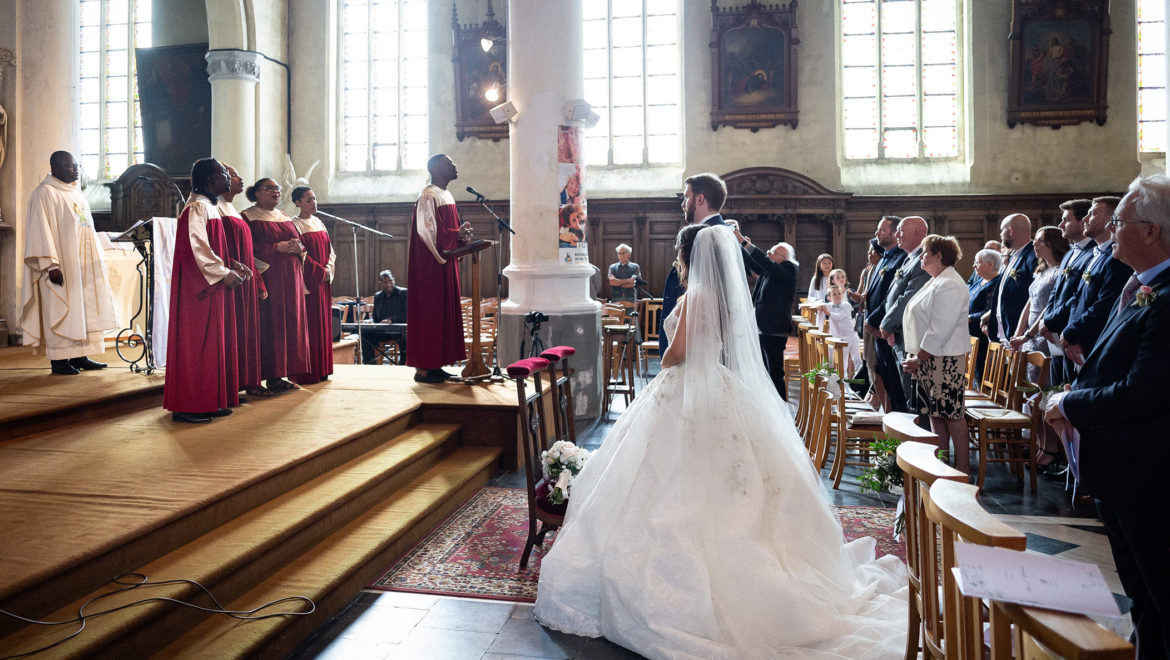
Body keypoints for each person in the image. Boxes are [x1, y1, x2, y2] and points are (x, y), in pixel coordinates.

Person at [535, 224, 908, 658]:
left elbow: (679, 351)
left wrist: (668, 353)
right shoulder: (725, 296)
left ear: (689, 254)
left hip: (686, 384)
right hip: (717, 384)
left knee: (665, 477)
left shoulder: (696, 295)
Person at [1044, 175, 1170, 660]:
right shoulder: (1140, 286)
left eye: (1120, 221)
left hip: (1149, 474)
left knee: (1159, 591)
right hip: (1122, 470)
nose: (1112, 230)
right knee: (1142, 596)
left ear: (1151, 232)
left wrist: (1069, 404)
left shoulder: (1165, 298)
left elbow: (1145, 392)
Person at [164, 158, 249, 423]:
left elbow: (210, 247)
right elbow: (196, 249)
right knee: (197, 346)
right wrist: (223, 273)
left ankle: (209, 400)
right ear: (210, 179)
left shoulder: (209, 207)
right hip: (198, 291)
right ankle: (189, 405)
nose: (227, 177)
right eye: (223, 173)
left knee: (212, 346)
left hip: (213, 286)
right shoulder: (196, 208)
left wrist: (231, 264)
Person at [19, 151, 117, 375]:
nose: (75, 170)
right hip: (60, 265)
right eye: (70, 166)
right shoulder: (44, 193)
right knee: (61, 307)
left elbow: (85, 229)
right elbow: (39, 232)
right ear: (54, 167)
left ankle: (80, 355)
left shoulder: (76, 193)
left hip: (81, 264)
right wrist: (50, 266)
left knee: (82, 308)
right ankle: (60, 360)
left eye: (76, 166)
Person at [901, 235, 972, 473]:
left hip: (945, 359)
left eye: (925, 252)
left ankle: (961, 471)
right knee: (936, 414)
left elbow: (940, 327)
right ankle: (941, 466)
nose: (921, 257)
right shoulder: (936, 280)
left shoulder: (949, 283)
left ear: (939, 255)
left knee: (952, 415)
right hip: (932, 358)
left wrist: (918, 357)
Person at [243, 178, 311, 392]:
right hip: (268, 279)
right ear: (256, 193)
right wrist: (276, 248)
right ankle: (255, 379)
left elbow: (299, 244)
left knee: (287, 327)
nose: (275, 192)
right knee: (267, 326)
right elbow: (246, 249)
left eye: (277, 189)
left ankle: (277, 376)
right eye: (269, 188)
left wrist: (298, 247)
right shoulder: (247, 217)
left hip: (291, 282)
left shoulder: (284, 216)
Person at [407, 154, 470, 383]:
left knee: (442, 314)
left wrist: (460, 235)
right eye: (448, 163)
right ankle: (424, 368)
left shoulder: (447, 195)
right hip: (430, 267)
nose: (454, 165)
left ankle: (436, 365)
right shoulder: (428, 195)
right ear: (435, 168)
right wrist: (455, 236)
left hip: (444, 264)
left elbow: (446, 231)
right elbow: (427, 232)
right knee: (430, 314)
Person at [659, 172, 730, 356]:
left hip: (692, 354)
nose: (683, 203)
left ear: (699, 199)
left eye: (686, 197)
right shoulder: (718, 234)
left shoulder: (713, 235)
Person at [1059, 196, 1132, 369]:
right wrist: (1070, 334)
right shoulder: (1095, 254)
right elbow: (1077, 297)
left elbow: (1105, 304)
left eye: (1092, 214)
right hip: (1076, 342)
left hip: (1094, 342)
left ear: (1110, 220)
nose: (1085, 219)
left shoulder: (1115, 258)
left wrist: (1073, 332)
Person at [219, 164, 267, 400]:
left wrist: (258, 281)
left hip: (245, 280)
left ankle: (245, 380)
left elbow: (248, 252)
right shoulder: (213, 208)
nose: (240, 178)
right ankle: (230, 385)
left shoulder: (232, 208)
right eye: (233, 175)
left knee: (246, 332)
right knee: (233, 332)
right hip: (230, 280)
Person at [734, 223, 797, 399]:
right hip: (761, 327)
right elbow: (755, 264)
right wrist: (740, 247)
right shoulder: (770, 271)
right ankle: (769, 403)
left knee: (775, 372)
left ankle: (781, 408)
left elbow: (763, 261)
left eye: (772, 252)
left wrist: (745, 243)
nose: (768, 253)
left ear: (783, 257)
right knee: (763, 371)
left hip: (775, 329)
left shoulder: (788, 269)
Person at [875, 216, 930, 413]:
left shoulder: (923, 259)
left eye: (901, 230)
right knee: (906, 391)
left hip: (911, 335)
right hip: (899, 333)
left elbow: (908, 297)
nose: (896, 235)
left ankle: (919, 438)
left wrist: (887, 324)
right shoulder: (910, 258)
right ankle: (909, 435)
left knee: (914, 395)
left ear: (918, 232)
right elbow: (893, 296)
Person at [1038, 199, 1095, 386]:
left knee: (1070, 390)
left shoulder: (1092, 253)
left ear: (1082, 221)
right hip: (1055, 336)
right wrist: (1047, 320)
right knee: (1055, 389)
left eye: (1066, 220)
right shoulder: (1070, 253)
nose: (1061, 225)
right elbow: (1056, 291)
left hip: (1074, 336)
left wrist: (1053, 321)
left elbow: (1077, 296)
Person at [289, 185, 336, 385]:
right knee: (310, 326)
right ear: (298, 203)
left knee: (323, 326)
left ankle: (323, 368)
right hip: (309, 283)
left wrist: (329, 270)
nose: (313, 203)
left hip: (323, 282)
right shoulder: (294, 224)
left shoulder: (319, 222)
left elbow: (331, 251)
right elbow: (300, 255)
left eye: (314, 198)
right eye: (308, 200)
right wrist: (319, 272)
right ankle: (308, 372)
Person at [863, 216, 907, 413]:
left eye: (881, 230)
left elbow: (892, 295)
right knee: (886, 378)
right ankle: (892, 425)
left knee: (896, 384)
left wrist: (873, 319)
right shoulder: (886, 256)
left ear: (894, 232)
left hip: (889, 329)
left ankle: (901, 428)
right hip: (877, 330)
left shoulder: (900, 257)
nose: (876, 234)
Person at [984, 213, 1036, 343]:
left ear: (1011, 231)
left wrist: (1021, 332)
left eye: (1002, 230)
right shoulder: (1013, 256)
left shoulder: (1032, 256)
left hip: (1020, 332)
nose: (1000, 235)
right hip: (1006, 330)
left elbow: (1034, 295)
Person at [967, 248, 1003, 384]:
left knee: (984, 374)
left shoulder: (996, 283)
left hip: (985, 334)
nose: (974, 266)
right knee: (976, 374)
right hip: (973, 335)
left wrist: (970, 318)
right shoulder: (979, 282)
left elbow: (990, 310)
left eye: (977, 262)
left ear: (990, 264)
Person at [360, 269, 408, 365]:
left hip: (399, 330)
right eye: (385, 282)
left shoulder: (403, 293)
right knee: (365, 332)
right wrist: (371, 321)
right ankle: (370, 363)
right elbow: (376, 318)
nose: (388, 284)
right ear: (381, 283)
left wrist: (391, 319)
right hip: (382, 330)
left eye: (390, 281)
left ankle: (402, 365)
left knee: (406, 338)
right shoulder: (378, 296)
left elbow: (408, 314)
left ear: (393, 280)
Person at [825, 284, 862, 374]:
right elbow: (820, 306)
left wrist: (829, 313)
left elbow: (840, 316)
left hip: (852, 336)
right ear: (829, 298)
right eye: (834, 294)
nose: (838, 296)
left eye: (839, 293)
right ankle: (845, 385)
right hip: (840, 339)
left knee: (857, 360)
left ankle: (859, 381)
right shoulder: (828, 306)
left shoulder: (846, 305)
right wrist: (820, 308)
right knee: (843, 363)